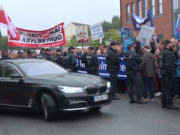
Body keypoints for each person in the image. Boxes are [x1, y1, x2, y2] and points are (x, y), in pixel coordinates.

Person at [158, 40, 179, 110]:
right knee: (169, 89)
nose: (172, 46)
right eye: (171, 44)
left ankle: (163, 103)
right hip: (168, 73)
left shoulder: (161, 52)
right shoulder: (168, 53)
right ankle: (169, 103)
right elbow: (168, 64)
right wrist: (172, 73)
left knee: (164, 88)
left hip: (163, 72)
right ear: (168, 45)